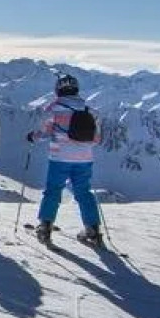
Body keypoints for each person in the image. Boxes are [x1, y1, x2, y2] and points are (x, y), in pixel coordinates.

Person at [26, 72, 103, 245]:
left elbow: (45, 132)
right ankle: (93, 230)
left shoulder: (53, 108)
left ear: (58, 90)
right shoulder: (90, 110)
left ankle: (45, 227)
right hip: (84, 159)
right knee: (84, 193)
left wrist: (33, 137)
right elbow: (97, 139)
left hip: (59, 157)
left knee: (53, 191)